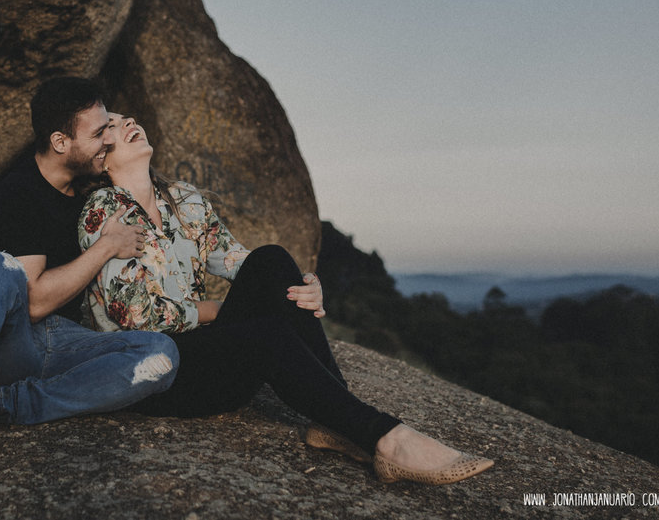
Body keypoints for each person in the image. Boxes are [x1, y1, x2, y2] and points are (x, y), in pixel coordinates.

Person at [78, 113, 494, 486]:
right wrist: (216, 311)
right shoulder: (104, 212)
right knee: (265, 334)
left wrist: (301, 286)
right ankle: (386, 438)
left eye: (124, 116)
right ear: (102, 159)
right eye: (111, 125)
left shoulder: (185, 201)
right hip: (154, 373)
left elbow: (243, 263)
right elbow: (136, 318)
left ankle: (336, 419)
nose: (128, 119)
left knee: (272, 258)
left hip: (207, 360)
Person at [0, 79, 179, 484]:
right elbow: (34, 303)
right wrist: (106, 246)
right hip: (15, 342)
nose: (108, 140)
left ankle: (4, 405)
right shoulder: (20, 193)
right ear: (61, 142)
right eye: (98, 133)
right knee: (0, 267)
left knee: (161, 354)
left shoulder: (91, 189)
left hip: (65, 342)